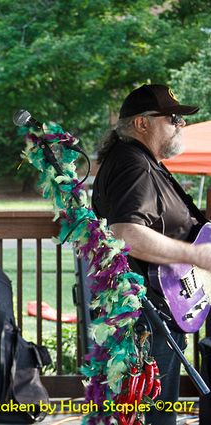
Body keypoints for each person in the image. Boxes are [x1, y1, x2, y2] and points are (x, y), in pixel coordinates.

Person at [92, 84, 211, 425]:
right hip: (146, 316)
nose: (181, 124)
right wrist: (197, 255)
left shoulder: (137, 160)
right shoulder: (134, 165)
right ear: (142, 123)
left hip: (150, 309)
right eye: (173, 118)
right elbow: (126, 234)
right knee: (154, 415)